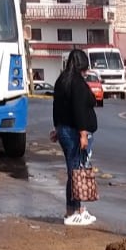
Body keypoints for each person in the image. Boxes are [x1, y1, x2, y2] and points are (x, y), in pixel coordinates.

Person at [51, 48, 98, 226]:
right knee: (76, 171)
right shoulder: (77, 83)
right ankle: (72, 211)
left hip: (65, 129)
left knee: (75, 170)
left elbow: (57, 108)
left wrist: (58, 128)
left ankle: (77, 208)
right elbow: (79, 110)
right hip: (74, 131)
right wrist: (83, 133)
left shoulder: (61, 81)